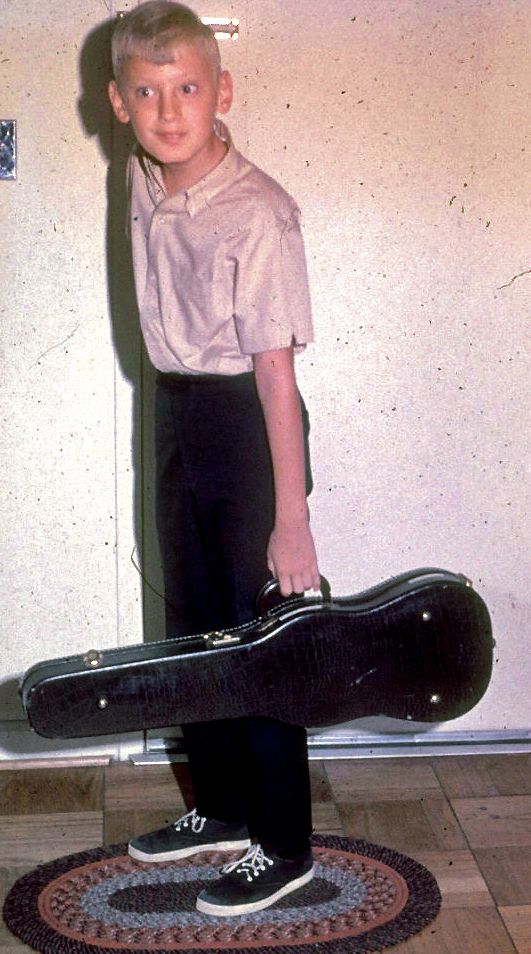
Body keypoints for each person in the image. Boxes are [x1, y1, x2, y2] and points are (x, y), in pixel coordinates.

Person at [108, 0, 320, 917]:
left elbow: (275, 378)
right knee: (194, 621)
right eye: (147, 92)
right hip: (174, 409)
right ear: (118, 103)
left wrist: (292, 520)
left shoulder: (260, 213)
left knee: (261, 633)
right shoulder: (139, 174)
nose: (168, 111)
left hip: (247, 420)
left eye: (187, 88)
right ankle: (225, 805)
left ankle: (285, 844)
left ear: (221, 91)